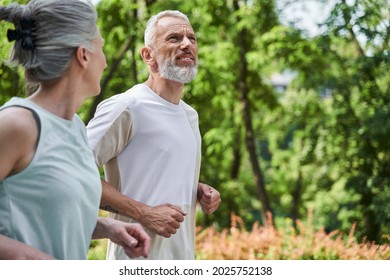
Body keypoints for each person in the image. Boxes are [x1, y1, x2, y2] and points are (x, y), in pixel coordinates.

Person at [0, 0, 150, 260]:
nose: (104, 62)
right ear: (83, 55)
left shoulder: (76, 127)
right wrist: (30, 259)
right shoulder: (17, 125)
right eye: (101, 48)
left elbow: (48, 215)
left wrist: (108, 227)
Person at [86, 10, 221, 260]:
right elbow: (73, 174)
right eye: (173, 38)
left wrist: (197, 190)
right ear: (148, 56)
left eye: (192, 38)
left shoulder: (191, 116)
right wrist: (144, 213)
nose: (186, 44)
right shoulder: (126, 107)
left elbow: (157, 175)